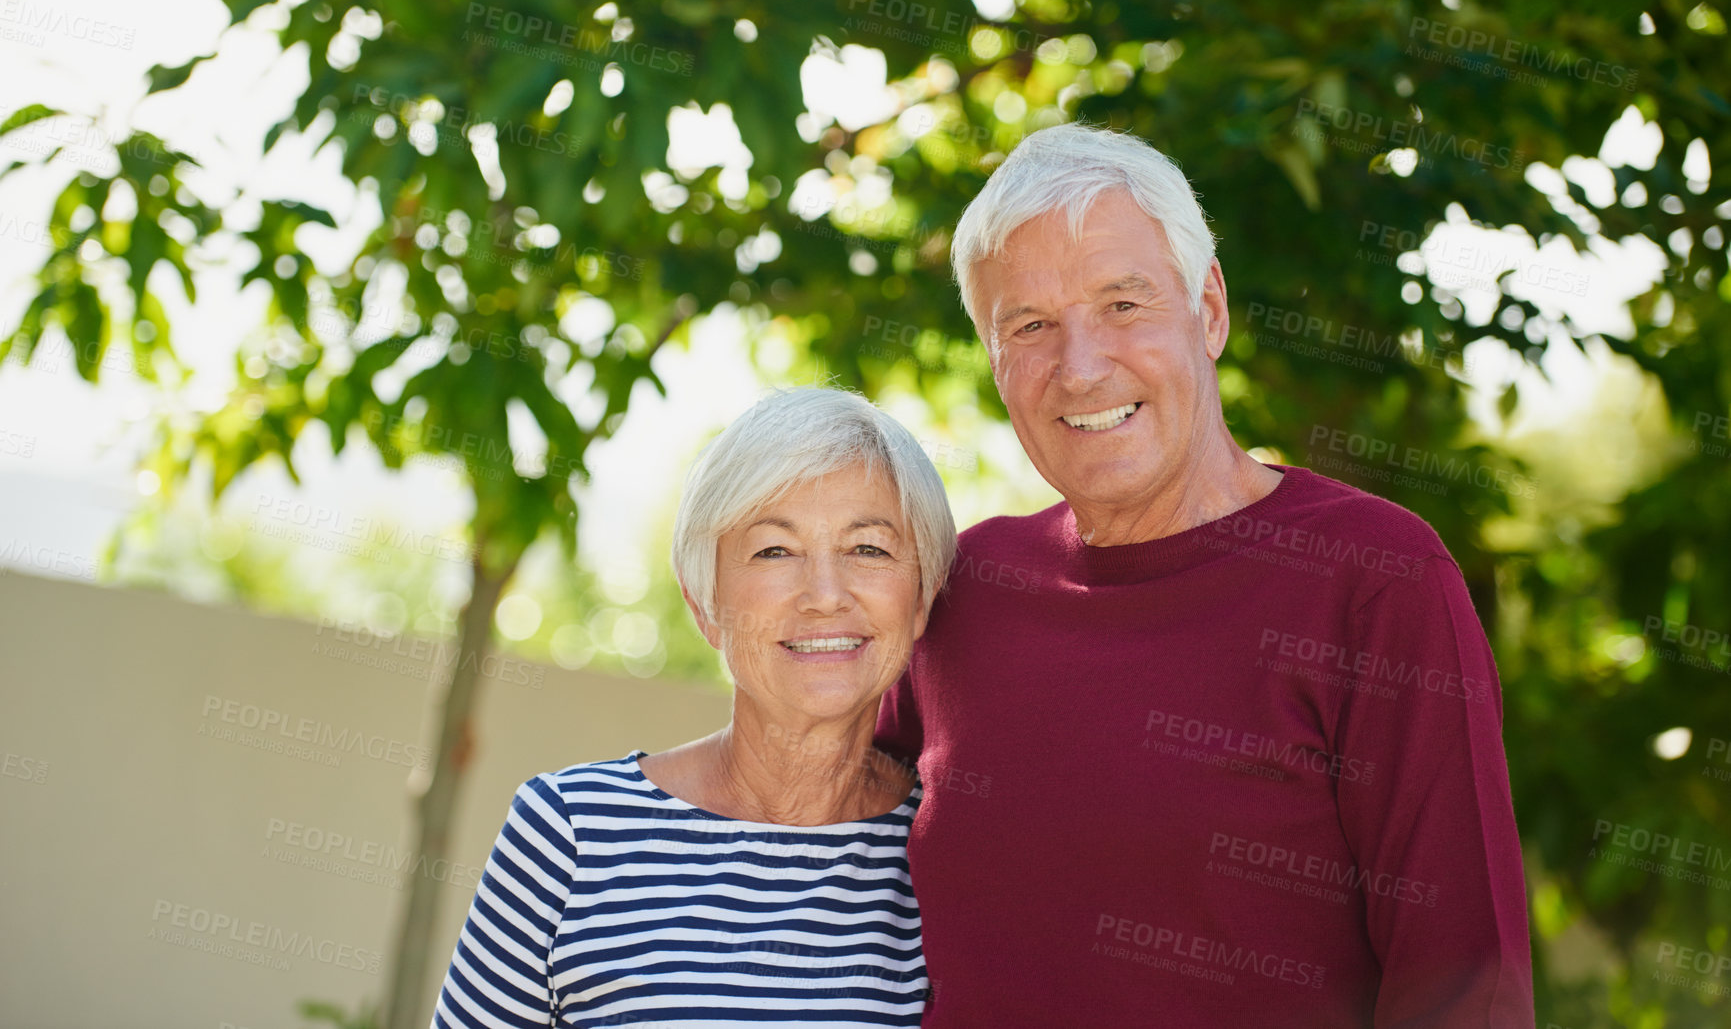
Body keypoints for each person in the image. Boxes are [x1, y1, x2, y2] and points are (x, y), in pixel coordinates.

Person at [875, 122, 1535, 1026]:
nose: (1080, 366)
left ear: (1210, 308)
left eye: (1123, 303)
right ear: (993, 358)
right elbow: (812, 854)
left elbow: (1466, 984)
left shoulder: (1376, 580)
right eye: (1029, 325)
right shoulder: (963, 587)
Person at [431, 387, 957, 1027]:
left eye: (868, 548)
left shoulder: (953, 854)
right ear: (705, 603)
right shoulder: (569, 834)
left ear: (923, 595)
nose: (825, 594)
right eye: (774, 550)